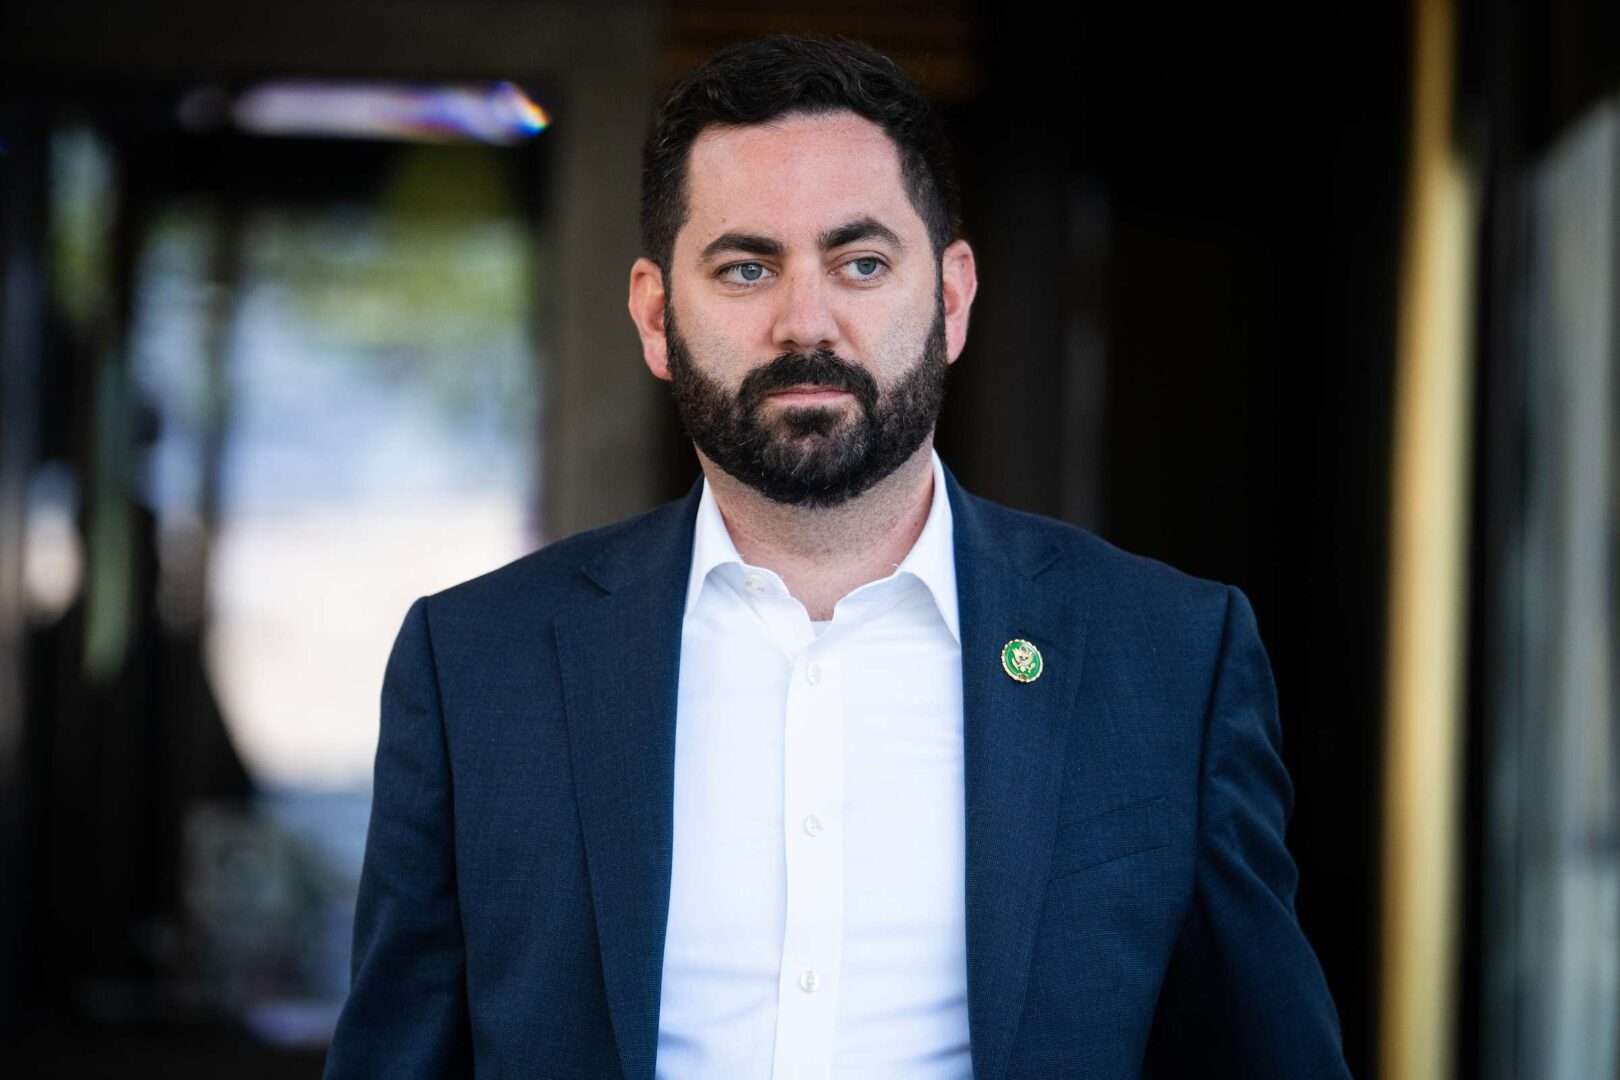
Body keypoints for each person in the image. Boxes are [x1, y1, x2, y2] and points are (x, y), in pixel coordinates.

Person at [324, 34, 1352, 1080]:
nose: (804, 322)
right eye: (744, 266)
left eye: (861, 263)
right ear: (653, 315)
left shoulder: (1169, 660)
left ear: (951, 297)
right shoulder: (476, 667)